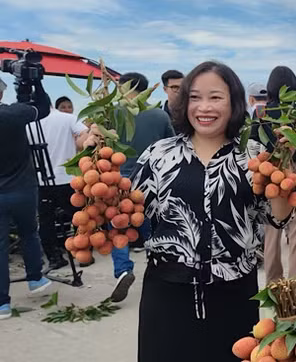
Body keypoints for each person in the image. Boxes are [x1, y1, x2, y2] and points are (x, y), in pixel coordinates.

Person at [131, 61, 276, 361]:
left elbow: (277, 217)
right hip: (168, 294)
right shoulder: (159, 155)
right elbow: (129, 215)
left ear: (234, 102)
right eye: (195, 97)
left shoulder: (252, 156)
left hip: (234, 293)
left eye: (215, 97)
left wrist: (286, 180)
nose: (204, 107)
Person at [105, 72, 175, 303]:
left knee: (119, 227)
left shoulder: (112, 112)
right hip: (153, 178)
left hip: (119, 178)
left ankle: (123, 270)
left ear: (123, 88)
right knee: (152, 226)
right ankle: (161, 269)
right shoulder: (159, 115)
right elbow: (171, 146)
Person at [259, 66, 296, 298]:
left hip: (271, 174)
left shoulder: (261, 113)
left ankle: (273, 287)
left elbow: (257, 145)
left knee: (272, 231)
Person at [0, 76, 52, 319]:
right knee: (29, 232)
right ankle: (34, 278)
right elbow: (42, 108)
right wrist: (36, 83)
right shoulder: (13, 115)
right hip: (22, 189)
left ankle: (2, 304)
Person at [34, 103, 90, 270]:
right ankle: (83, 255)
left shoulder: (29, 122)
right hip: (68, 178)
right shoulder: (67, 118)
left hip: (41, 181)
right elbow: (84, 136)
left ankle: (54, 258)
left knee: (46, 222)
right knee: (79, 218)